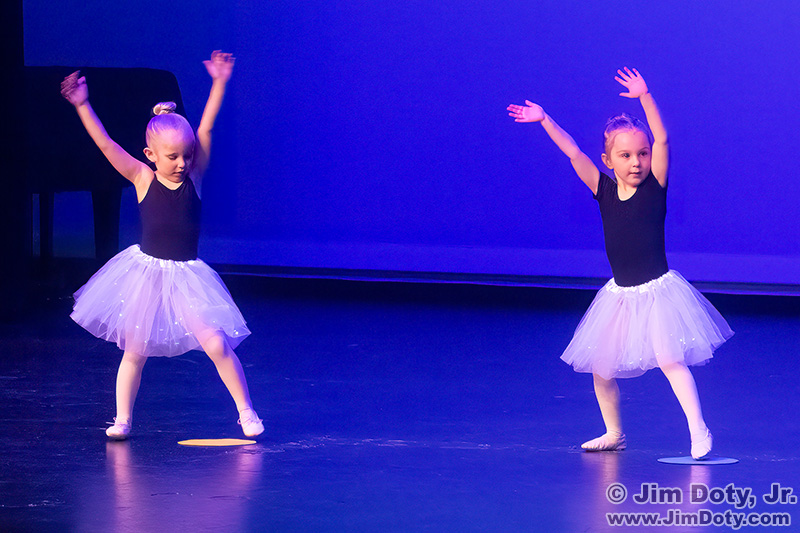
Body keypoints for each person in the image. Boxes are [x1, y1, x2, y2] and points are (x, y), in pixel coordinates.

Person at [507, 68, 733, 459]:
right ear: (608, 160)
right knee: (601, 367)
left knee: (670, 360)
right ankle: (614, 433)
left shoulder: (655, 187)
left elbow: (663, 138)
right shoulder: (603, 190)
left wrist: (645, 97)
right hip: (619, 295)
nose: (637, 162)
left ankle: (699, 430)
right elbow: (573, 152)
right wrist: (545, 120)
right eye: (625, 155)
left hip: (658, 292)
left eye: (642, 154)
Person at [61, 51, 263, 440]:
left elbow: (206, 129)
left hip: (188, 276)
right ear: (150, 155)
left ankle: (246, 411)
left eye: (187, 155)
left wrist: (219, 83)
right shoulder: (143, 178)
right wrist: (82, 105)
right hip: (147, 274)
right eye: (173, 157)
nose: (182, 163)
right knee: (134, 351)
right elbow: (106, 145)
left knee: (217, 344)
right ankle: (122, 419)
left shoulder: (194, 179)